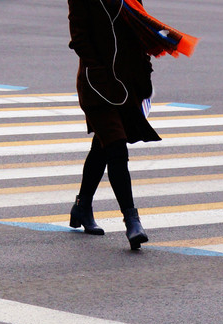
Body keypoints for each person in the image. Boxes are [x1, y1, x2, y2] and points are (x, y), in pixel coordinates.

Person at [67, 0, 159, 250]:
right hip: (97, 86)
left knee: (103, 146)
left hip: (126, 84)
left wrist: (145, 73)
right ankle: (132, 221)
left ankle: (82, 207)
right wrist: (99, 71)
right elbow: (79, 38)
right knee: (117, 147)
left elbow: (140, 31)